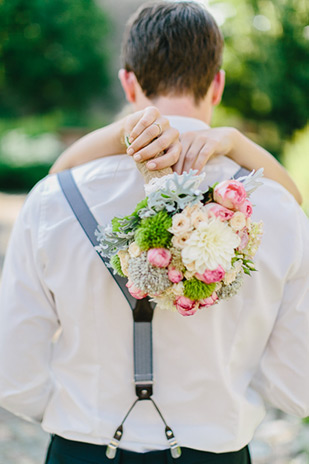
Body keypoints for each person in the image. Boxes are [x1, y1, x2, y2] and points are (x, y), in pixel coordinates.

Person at [0, 2, 308, 464]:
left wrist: (82, 416)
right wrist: (226, 402)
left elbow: (14, 375)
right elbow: (297, 383)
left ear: (129, 83)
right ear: (218, 84)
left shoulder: (52, 199)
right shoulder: (279, 209)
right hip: (216, 453)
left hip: (82, 449)